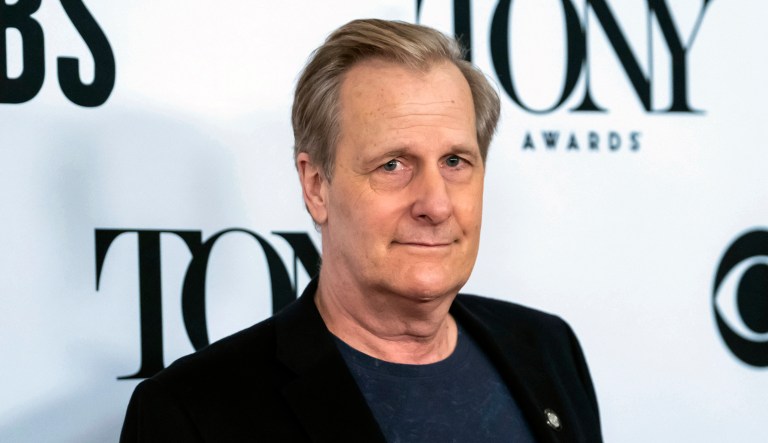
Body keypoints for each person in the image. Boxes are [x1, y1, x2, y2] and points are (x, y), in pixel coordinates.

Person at [120, 18, 602, 442]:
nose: (434, 204)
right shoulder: (192, 412)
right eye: (393, 165)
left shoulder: (547, 348)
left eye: (455, 161)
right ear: (316, 186)